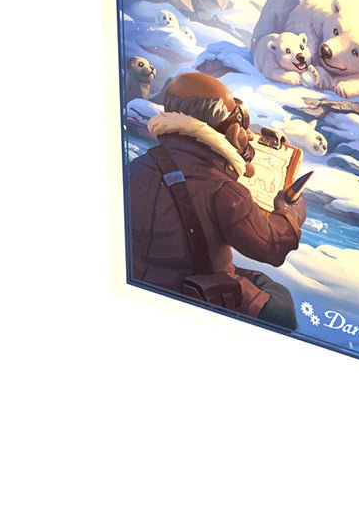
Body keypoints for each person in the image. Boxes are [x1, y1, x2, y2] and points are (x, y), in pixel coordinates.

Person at [128, 72, 306, 330]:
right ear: (226, 128)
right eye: (239, 120)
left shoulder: (137, 167)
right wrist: (290, 213)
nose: (247, 133)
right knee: (280, 303)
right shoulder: (223, 190)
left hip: (142, 279)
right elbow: (271, 248)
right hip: (190, 289)